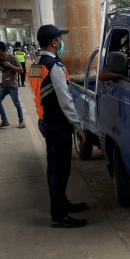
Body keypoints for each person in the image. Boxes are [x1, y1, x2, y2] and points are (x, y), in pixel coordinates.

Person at [28, 24, 88, 228]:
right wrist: (78, 126)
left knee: (53, 168)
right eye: (60, 40)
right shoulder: (54, 67)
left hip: (44, 121)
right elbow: (65, 100)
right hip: (56, 124)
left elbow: (39, 96)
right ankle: (58, 215)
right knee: (60, 170)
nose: (62, 43)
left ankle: (60, 204)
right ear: (54, 42)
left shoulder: (36, 64)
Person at [0, 41, 25, 129]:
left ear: (0, 50)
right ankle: (4, 121)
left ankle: (21, 122)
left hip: (12, 85)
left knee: (17, 103)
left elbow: (21, 70)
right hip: (3, 85)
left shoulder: (13, 58)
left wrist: (10, 65)